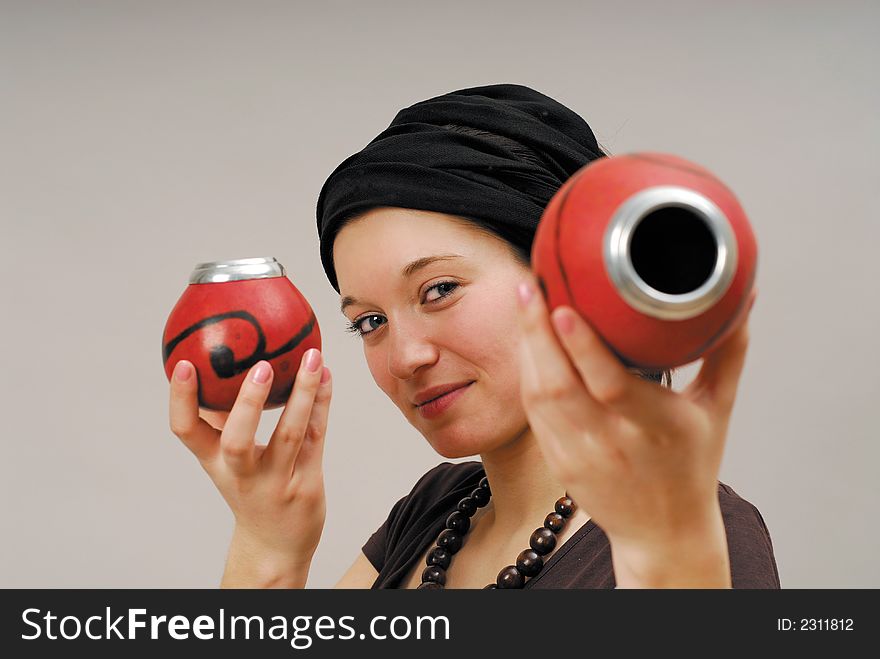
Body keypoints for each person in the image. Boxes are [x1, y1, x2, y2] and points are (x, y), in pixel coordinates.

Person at [168, 84, 780, 589]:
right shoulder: (433, 513)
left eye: (439, 290)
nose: (406, 358)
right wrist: (269, 541)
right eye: (369, 322)